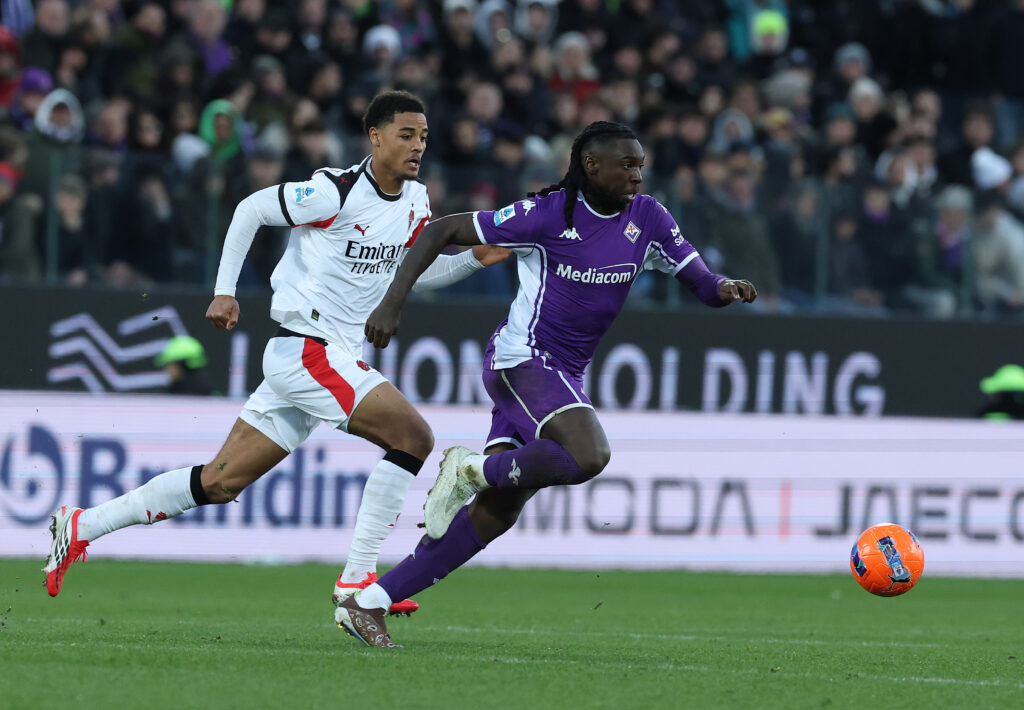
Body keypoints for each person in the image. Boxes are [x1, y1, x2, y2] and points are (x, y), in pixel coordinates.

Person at [43, 91, 510, 619]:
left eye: (423, 136)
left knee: (220, 481)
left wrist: (472, 259)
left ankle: (80, 526)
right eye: (406, 134)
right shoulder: (334, 191)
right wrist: (225, 289)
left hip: (321, 358)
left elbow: (409, 278)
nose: (418, 145)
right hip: (307, 348)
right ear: (374, 137)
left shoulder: (417, 203)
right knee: (414, 437)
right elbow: (251, 209)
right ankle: (357, 580)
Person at [336, 121, 757, 647]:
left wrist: (727, 287)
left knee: (499, 510)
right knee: (589, 454)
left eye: (640, 165)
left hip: (562, 374)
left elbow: (701, 282)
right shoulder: (546, 214)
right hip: (522, 361)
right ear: (590, 166)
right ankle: (471, 469)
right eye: (625, 164)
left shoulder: (648, 218)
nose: (636, 174)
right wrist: (393, 302)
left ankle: (368, 602)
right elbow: (441, 230)